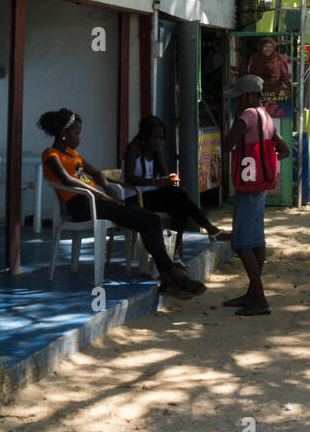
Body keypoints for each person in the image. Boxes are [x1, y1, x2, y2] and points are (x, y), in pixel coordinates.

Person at [38, 108, 205, 299]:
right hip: (81, 206)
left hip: (98, 202)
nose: (80, 138)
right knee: (143, 220)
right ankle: (174, 277)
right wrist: (101, 195)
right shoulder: (50, 155)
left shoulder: (72, 154)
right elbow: (67, 180)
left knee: (151, 219)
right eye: (77, 133)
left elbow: (96, 173)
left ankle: (168, 280)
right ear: (63, 134)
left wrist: (108, 188)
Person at [222, 74, 290, 315]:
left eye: (239, 97)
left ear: (250, 96)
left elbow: (227, 143)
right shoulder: (266, 116)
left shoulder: (248, 115)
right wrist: (266, 161)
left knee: (241, 244)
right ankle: (252, 292)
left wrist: (236, 123)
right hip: (260, 185)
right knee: (256, 241)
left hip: (246, 187)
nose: (236, 102)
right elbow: (284, 149)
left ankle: (259, 298)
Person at [121, 115, 228, 241]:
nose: (158, 141)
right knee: (180, 195)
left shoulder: (155, 151)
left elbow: (165, 176)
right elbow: (129, 178)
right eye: (154, 138)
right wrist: (155, 182)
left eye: (161, 138)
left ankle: (171, 252)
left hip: (149, 197)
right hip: (133, 198)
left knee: (180, 209)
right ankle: (211, 230)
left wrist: (171, 180)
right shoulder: (133, 148)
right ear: (145, 136)